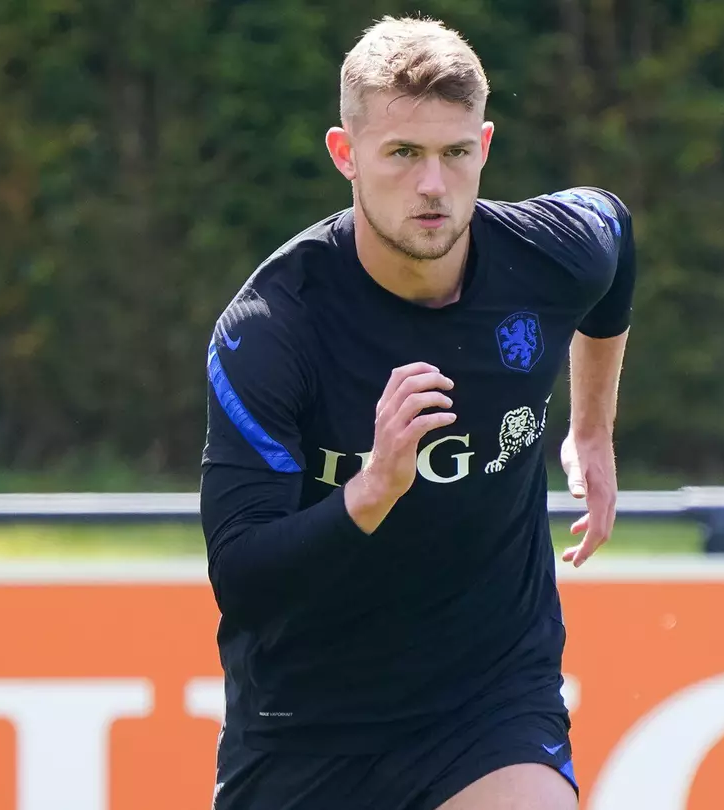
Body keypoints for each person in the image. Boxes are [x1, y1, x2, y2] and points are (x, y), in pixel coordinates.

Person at [200, 16, 633, 810]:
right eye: (402, 154)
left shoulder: (553, 253)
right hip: (306, 724)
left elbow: (618, 244)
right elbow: (242, 577)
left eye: (455, 153)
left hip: (488, 701)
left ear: (485, 147)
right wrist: (371, 491)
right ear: (346, 155)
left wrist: (591, 429)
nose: (433, 184)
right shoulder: (272, 330)